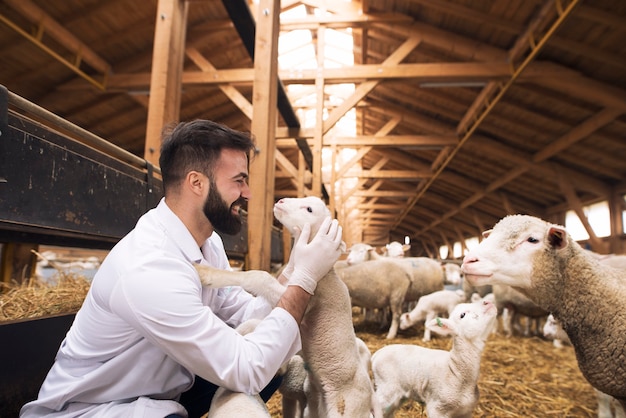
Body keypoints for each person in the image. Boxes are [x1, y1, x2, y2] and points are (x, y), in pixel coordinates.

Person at [20, 119, 343, 417]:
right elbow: (248, 369)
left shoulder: (207, 243)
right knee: (260, 366)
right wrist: (304, 278)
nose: (247, 193)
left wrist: (295, 266)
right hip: (97, 408)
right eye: (239, 181)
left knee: (276, 363)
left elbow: (248, 316)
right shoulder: (150, 267)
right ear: (197, 183)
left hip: (164, 391)